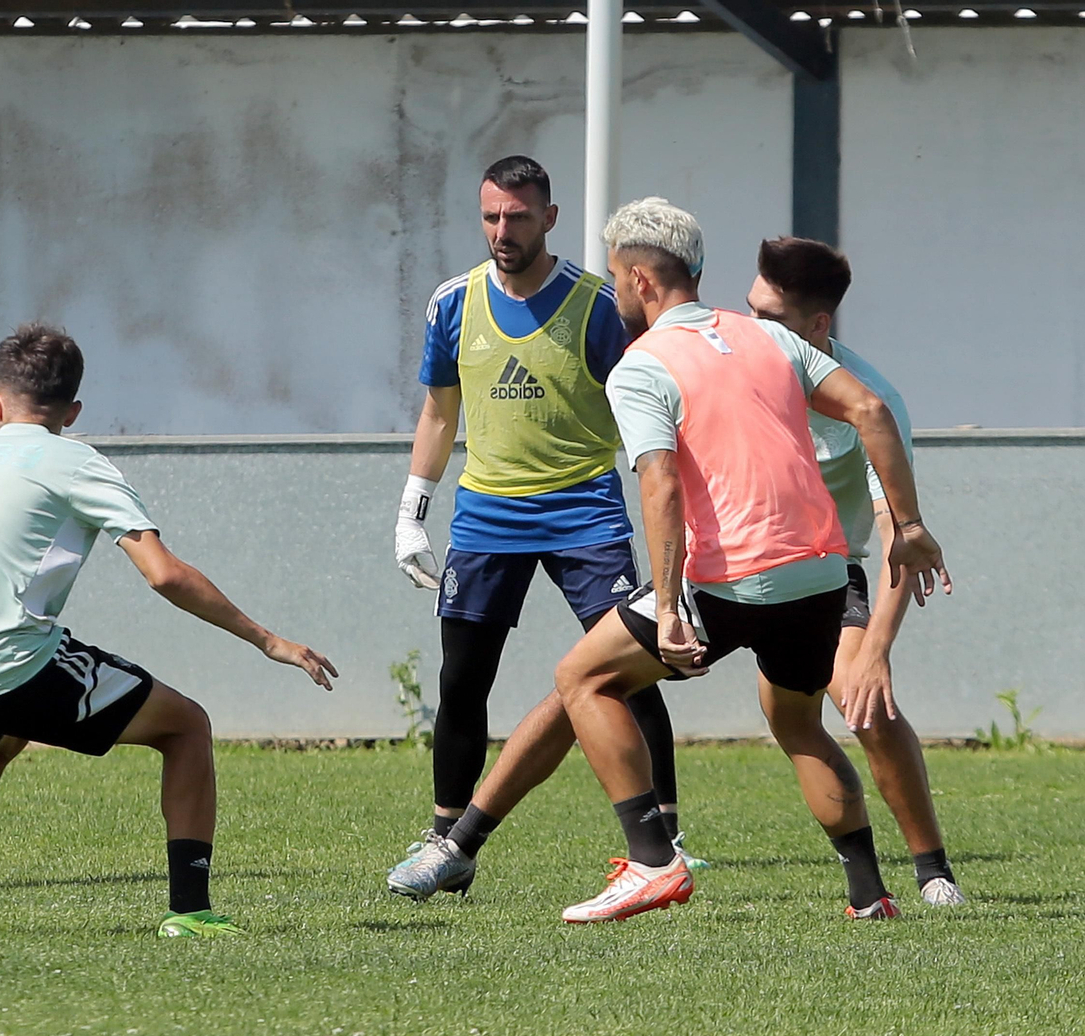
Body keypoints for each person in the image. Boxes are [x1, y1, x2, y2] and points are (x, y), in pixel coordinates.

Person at [395, 198, 951, 922]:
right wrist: (907, 526)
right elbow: (872, 411)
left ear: (638, 280)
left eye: (618, 280)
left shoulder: (643, 364)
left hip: (727, 577)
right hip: (819, 572)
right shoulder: (766, 340)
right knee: (801, 725)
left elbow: (657, 482)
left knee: (580, 678)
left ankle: (651, 859)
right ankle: (869, 894)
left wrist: (664, 603)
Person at [0, 324, 337, 938]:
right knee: (187, 727)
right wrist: (269, 640)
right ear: (73, 411)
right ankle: (190, 910)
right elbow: (164, 575)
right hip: (11, 666)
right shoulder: (78, 461)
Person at [387, 157, 699, 901]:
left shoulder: (598, 308)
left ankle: (667, 834)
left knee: (631, 667)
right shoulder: (452, 303)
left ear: (550, 219)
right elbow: (439, 410)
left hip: (584, 508)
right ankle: (445, 836)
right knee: (462, 679)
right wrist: (412, 510)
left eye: (518, 217)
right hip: (487, 513)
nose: (502, 230)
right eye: (491, 216)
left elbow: (646, 407)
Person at [748, 236, 964, 905]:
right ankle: (652, 846)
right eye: (749, 312)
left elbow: (905, 538)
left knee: (868, 708)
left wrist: (875, 650)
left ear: (818, 328)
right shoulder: (730, 374)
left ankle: (931, 871)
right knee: (591, 674)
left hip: (823, 573)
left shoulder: (870, 401)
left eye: (772, 321)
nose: (755, 333)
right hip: (731, 571)